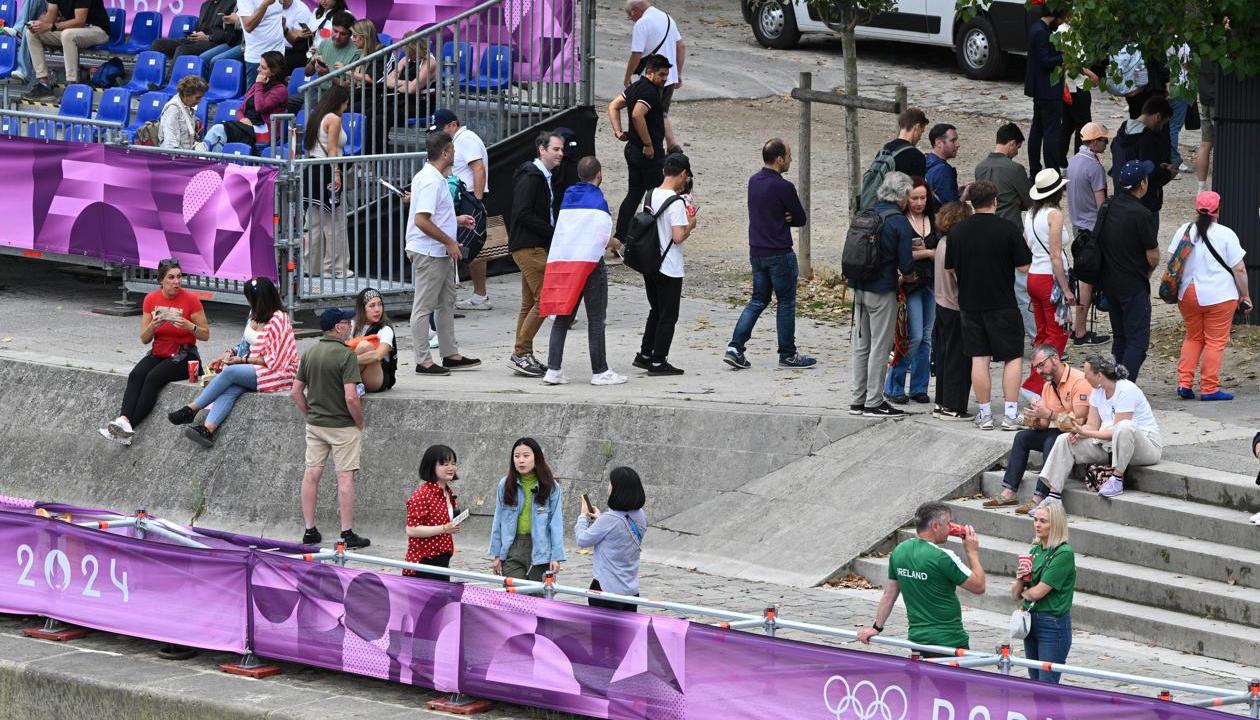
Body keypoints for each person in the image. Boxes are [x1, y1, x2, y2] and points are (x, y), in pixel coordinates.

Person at [168, 277, 298, 448]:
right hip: (254, 367)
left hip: (278, 372)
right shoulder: (254, 314)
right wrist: (228, 354)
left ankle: (191, 409)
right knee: (231, 388)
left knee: (229, 373)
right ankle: (207, 429)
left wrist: (241, 361)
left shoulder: (279, 319)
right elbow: (244, 344)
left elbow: (274, 360)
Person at [944, 180, 1032, 431]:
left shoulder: (958, 231)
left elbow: (949, 268)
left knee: (979, 358)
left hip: (970, 303)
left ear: (972, 201)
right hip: (1002, 302)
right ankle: (1010, 413)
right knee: (1012, 356)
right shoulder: (1007, 228)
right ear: (995, 201)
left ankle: (984, 413)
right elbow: (1024, 267)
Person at [724, 138, 814, 371]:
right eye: (789, 156)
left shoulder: (754, 181)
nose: (791, 160)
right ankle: (788, 353)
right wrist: (788, 217)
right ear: (779, 159)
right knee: (785, 303)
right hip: (780, 253)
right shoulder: (784, 187)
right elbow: (801, 218)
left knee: (757, 300)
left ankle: (735, 347)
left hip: (757, 251)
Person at [98, 259, 210, 447]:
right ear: (161, 281)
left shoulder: (191, 300)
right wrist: (153, 325)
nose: (176, 282)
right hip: (159, 350)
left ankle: (126, 427)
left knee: (153, 377)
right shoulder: (151, 299)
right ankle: (123, 420)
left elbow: (205, 334)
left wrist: (189, 326)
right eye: (171, 278)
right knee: (136, 374)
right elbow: (144, 338)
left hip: (186, 355)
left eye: (179, 277)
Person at [1030, 353, 1162, 505]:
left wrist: (1087, 433)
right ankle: (1053, 496)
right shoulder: (1097, 392)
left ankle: (1117, 479)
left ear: (1099, 375)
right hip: (1109, 447)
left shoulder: (1126, 390)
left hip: (1145, 447)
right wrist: (1079, 432)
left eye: (1087, 375)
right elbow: (1091, 425)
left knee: (1124, 427)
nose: (1084, 378)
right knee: (1063, 440)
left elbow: (1116, 432)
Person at [857, 502, 986, 654]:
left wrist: (876, 627)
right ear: (935, 526)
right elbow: (979, 586)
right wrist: (972, 552)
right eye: (948, 523)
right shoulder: (942, 557)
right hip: (949, 641)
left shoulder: (900, 550)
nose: (950, 528)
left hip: (917, 640)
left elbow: (889, 594)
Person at [543, 157, 627, 386]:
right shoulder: (597, 199)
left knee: (562, 316)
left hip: (567, 262)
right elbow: (599, 235)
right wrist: (615, 243)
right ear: (599, 174)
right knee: (596, 319)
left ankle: (553, 369)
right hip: (590, 264)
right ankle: (600, 371)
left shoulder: (569, 195)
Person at [292, 307, 368, 550]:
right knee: (345, 477)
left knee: (312, 474)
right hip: (343, 426)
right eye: (347, 323)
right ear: (338, 327)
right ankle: (346, 532)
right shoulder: (347, 356)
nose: (350, 326)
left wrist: (310, 414)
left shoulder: (310, 352)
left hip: (316, 425)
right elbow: (351, 397)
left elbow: (295, 391)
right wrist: (359, 422)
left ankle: (309, 530)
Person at [406, 130, 480, 376]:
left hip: (440, 251)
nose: (455, 155)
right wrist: (450, 241)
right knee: (424, 306)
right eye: (453, 151)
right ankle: (423, 360)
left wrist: (456, 220)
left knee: (446, 302)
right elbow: (421, 220)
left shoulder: (433, 177)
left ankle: (450, 354)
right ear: (446, 152)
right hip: (430, 252)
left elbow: (432, 214)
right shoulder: (430, 180)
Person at [984, 346, 1092, 509]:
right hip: (1060, 431)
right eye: (1036, 368)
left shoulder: (1079, 381)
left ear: (1055, 358)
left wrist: (1049, 414)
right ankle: (1009, 491)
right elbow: (1043, 425)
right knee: (1022, 437)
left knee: (1052, 440)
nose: (1039, 371)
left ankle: (1040, 496)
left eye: (1041, 365)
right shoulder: (1048, 385)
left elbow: (1079, 422)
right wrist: (1033, 419)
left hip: (1080, 435)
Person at [1170, 191, 1251, 401]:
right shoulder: (1226, 234)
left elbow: (1172, 260)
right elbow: (1239, 269)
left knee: (1193, 337)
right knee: (1215, 341)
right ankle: (1209, 387)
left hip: (1188, 293)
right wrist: (1245, 296)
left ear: (1197, 208)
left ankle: (1184, 383)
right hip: (1220, 295)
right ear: (1218, 209)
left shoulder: (1184, 230)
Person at [848, 171, 915, 418]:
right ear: (903, 195)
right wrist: (909, 277)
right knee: (880, 346)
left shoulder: (868, 213)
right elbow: (907, 267)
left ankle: (857, 400)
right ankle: (875, 401)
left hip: (858, 287)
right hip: (882, 290)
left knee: (861, 345)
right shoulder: (899, 221)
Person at [421, 110, 492, 312]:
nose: (439, 135)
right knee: (467, 244)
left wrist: (477, 201)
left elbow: (478, 168)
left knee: (471, 244)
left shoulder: (466, 139)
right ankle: (474, 294)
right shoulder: (459, 141)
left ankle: (479, 295)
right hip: (464, 196)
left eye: (441, 129)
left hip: (469, 197)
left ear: (453, 125)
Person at [507, 131, 565, 377]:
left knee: (529, 302)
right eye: (555, 149)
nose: (560, 154)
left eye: (562, 149)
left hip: (531, 245)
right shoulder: (533, 176)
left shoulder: (541, 176)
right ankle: (520, 353)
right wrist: (552, 231)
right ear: (542, 150)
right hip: (529, 246)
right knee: (545, 299)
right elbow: (522, 212)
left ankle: (523, 352)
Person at [1097, 160, 1160, 380]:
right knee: (1137, 341)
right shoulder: (1141, 214)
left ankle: (1114, 381)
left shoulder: (1107, 206)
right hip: (1133, 284)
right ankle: (1124, 386)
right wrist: (1149, 270)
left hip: (1109, 283)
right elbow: (1153, 255)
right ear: (1142, 184)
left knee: (1121, 336)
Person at [635, 152, 696, 376]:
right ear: (683, 174)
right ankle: (659, 361)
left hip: (649, 261)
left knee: (655, 310)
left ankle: (645, 354)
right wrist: (691, 225)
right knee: (668, 315)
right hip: (669, 265)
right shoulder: (676, 202)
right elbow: (678, 236)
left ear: (663, 171)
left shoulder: (649, 196)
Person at [976, 122, 1035, 341]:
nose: (1016, 152)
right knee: (1021, 287)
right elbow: (1030, 200)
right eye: (1017, 148)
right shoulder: (1015, 169)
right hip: (1010, 230)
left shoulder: (980, 167)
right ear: (1012, 143)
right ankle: (1034, 334)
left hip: (985, 231)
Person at [1022, 168, 1075, 399]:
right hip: (1049, 278)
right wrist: (1065, 289)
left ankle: (1036, 382)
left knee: (1042, 334)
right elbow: (1055, 255)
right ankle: (1035, 386)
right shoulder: (1054, 214)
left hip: (1034, 274)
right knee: (1058, 335)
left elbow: (1027, 245)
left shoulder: (1031, 215)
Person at [608, 54, 670, 242]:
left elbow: (613, 106)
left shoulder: (635, 87)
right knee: (657, 195)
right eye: (661, 74)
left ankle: (621, 236)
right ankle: (656, 237)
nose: (665, 79)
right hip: (647, 154)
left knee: (634, 194)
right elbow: (637, 115)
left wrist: (618, 131)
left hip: (632, 149)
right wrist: (648, 144)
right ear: (650, 72)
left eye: (666, 74)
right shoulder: (649, 91)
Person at [1013, 502, 1076, 683]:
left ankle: (1051, 713)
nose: (1037, 525)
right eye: (1035, 520)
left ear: (1055, 525)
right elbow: (1015, 595)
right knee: (1035, 682)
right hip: (1032, 622)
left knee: (1047, 684)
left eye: (1043, 521)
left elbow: (1038, 592)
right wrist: (1020, 579)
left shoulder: (1063, 553)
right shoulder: (1035, 550)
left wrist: (1024, 592)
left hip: (1052, 625)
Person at [885, 177, 935, 404]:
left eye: (923, 198)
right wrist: (926, 252)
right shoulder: (901, 220)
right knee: (911, 336)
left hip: (931, 283)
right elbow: (902, 252)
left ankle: (919, 386)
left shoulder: (932, 218)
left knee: (926, 338)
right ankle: (893, 383)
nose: (919, 203)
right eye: (914, 198)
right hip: (910, 284)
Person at [488, 438, 565, 582]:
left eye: (526, 456)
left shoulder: (551, 486)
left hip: (541, 550)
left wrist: (556, 556)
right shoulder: (504, 485)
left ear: (537, 458)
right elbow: (498, 520)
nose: (521, 460)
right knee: (515, 597)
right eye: (516, 456)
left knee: (539, 598)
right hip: (512, 548)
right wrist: (497, 555)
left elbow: (556, 523)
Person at [1065, 122, 1113, 347]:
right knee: (1087, 281)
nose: (1106, 143)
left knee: (1083, 277)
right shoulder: (1095, 168)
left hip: (1077, 226)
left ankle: (1077, 327)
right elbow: (1101, 205)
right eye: (1104, 140)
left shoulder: (1073, 161)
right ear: (1093, 142)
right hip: (1093, 230)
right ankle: (1081, 330)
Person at [576, 466, 647, 612]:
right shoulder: (640, 515)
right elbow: (619, 527)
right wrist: (600, 518)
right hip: (631, 590)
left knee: (602, 634)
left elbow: (582, 540)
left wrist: (583, 516)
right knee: (626, 634)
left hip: (606, 589)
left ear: (617, 489)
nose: (608, 487)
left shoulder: (609, 520)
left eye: (610, 483)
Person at [931, 201, 974, 421]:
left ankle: (941, 401)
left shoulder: (942, 243)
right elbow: (961, 278)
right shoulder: (954, 247)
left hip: (942, 304)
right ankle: (953, 405)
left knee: (944, 355)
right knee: (958, 359)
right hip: (956, 306)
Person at [302, 84, 351, 278]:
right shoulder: (334, 119)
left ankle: (310, 266)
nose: (346, 108)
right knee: (334, 223)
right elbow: (332, 149)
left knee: (313, 223)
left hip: (313, 169)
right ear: (340, 102)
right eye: (346, 104)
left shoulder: (316, 116)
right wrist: (336, 172)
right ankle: (335, 268)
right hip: (327, 171)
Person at [623, 0, 683, 151]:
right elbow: (681, 46)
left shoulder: (642, 23)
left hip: (652, 78)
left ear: (635, 10)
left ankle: (650, 145)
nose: (632, 20)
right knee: (661, 112)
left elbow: (636, 54)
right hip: (669, 75)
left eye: (631, 17)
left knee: (644, 113)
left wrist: (628, 75)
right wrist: (678, 73)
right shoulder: (668, 18)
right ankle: (671, 145)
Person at [21, 0, 111, 100]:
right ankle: (44, 84)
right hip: (71, 30)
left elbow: (79, 21)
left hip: (97, 30)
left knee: (67, 35)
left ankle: (72, 85)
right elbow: (51, 15)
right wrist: (39, 24)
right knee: (32, 34)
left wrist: (51, 26)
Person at [203, 51, 288, 153]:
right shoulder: (257, 85)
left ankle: (202, 153)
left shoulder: (280, 90)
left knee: (218, 130)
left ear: (274, 72)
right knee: (219, 140)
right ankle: (215, 164)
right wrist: (242, 118)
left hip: (263, 131)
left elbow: (260, 107)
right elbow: (240, 109)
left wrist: (259, 85)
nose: (258, 69)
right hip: (246, 126)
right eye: (259, 66)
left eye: (263, 68)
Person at [1112, 95, 1175, 230]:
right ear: (1158, 117)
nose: (1162, 127)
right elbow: (1149, 174)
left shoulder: (1119, 136)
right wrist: (1168, 174)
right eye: (1164, 123)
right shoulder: (1148, 139)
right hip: (1145, 204)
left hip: (1121, 200)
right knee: (1147, 247)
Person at [404, 444, 460, 581]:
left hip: (443, 559)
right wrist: (444, 528)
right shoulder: (422, 494)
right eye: (444, 464)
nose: (451, 468)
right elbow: (412, 529)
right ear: (431, 466)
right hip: (423, 562)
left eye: (453, 463)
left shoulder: (448, 492)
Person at [1024, 4, 1066, 176]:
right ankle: (1051, 171)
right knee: (1050, 133)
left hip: (1041, 89)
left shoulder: (1038, 27)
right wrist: (1062, 57)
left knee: (1038, 130)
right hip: (1048, 90)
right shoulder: (1042, 31)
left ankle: (1037, 169)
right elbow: (1044, 61)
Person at [151, 0, 239, 59]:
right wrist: (194, 34)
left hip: (214, 42)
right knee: (159, 44)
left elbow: (232, 35)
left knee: (183, 49)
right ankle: (151, 81)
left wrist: (209, 37)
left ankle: (172, 83)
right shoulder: (205, 5)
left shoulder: (232, 4)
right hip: (197, 41)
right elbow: (200, 27)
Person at [349, 287, 397, 393]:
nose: (377, 309)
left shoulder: (385, 329)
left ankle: (342, 384)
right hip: (356, 372)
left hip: (377, 379)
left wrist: (348, 362)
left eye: (380, 304)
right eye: (372, 305)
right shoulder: (352, 325)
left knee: (365, 346)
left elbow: (378, 355)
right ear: (362, 308)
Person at [230, 0, 285, 87]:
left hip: (278, 54)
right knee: (254, 98)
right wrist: (265, 4)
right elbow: (248, 26)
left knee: (277, 96)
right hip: (258, 58)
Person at [158, 76, 208, 151]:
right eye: (197, 98)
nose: (200, 101)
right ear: (186, 94)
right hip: (176, 159)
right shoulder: (173, 109)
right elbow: (170, 144)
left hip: (185, 155)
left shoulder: (187, 107)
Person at [304, 10, 357, 79]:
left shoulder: (356, 51)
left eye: (343, 34)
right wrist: (312, 62)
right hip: (318, 88)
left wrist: (327, 74)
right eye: (335, 31)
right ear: (331, 28)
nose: (337, 36)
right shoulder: (324, 43)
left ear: (350, 34)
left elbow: (349, 85)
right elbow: (307, 73)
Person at [881, 108, 929, 179]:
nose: (920, 138)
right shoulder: (917, 157)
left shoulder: (885, 149)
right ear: (917, 127)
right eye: (921, 132)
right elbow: (917, 189)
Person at [924, 124, 964, 204]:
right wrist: (964, 196)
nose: (958, 145)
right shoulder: (943, 170)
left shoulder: (925, 161)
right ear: (939, 143)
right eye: (953, 141)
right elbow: (951, 209)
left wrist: (956, 193)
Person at [278, 0, 316, 75]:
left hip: (291, 50)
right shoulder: (272, 5)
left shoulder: (301, 9)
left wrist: (285, 29)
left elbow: (298, 42)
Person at [1196, 60, 1217, 193]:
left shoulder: (1201, 52)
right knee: (1223, 146)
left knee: (1205, 144)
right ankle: (1222, 183)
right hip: (1220, 100)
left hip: (1205, 98)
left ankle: (1201, 187)